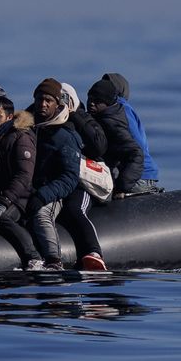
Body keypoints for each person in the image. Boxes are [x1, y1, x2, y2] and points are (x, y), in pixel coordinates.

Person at [0, 98, 42, 269]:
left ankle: (33, 257)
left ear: (9, 117)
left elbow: (24, 175)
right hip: (0, 194)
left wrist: (4, 202)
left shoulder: (22, 137)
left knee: (1, 217)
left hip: (20, 197)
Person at [26, 78, 83, 271]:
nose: (43, 104)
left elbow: (70, 177)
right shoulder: (27, 128)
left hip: (51, 192)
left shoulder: (65, 136)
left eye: (48, 101)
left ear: (57, 104)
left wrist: (43, 195)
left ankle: (54, 261)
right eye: (40, 99)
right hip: (26, 188)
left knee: (42, 215)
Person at [58, 83, 107, 270]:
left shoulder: (84, 119)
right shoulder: (43, 118)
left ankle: (94, 251)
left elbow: (98, 147)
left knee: (75, 209)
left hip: (82, 183)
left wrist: (75, 113)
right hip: (57, 181)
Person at [96, 72, 160, 195]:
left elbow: (136, 146)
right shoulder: (120, 109)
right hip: (142, 174)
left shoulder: (119, 109)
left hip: (139, 176)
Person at [87, 79, 146, 197]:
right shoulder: (100, 117)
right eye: (90, 98)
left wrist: (121, 187)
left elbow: (136, 153)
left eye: (98, 101)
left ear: (107, 103)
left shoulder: (111, 124)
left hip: (120, 179)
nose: (91, 103)